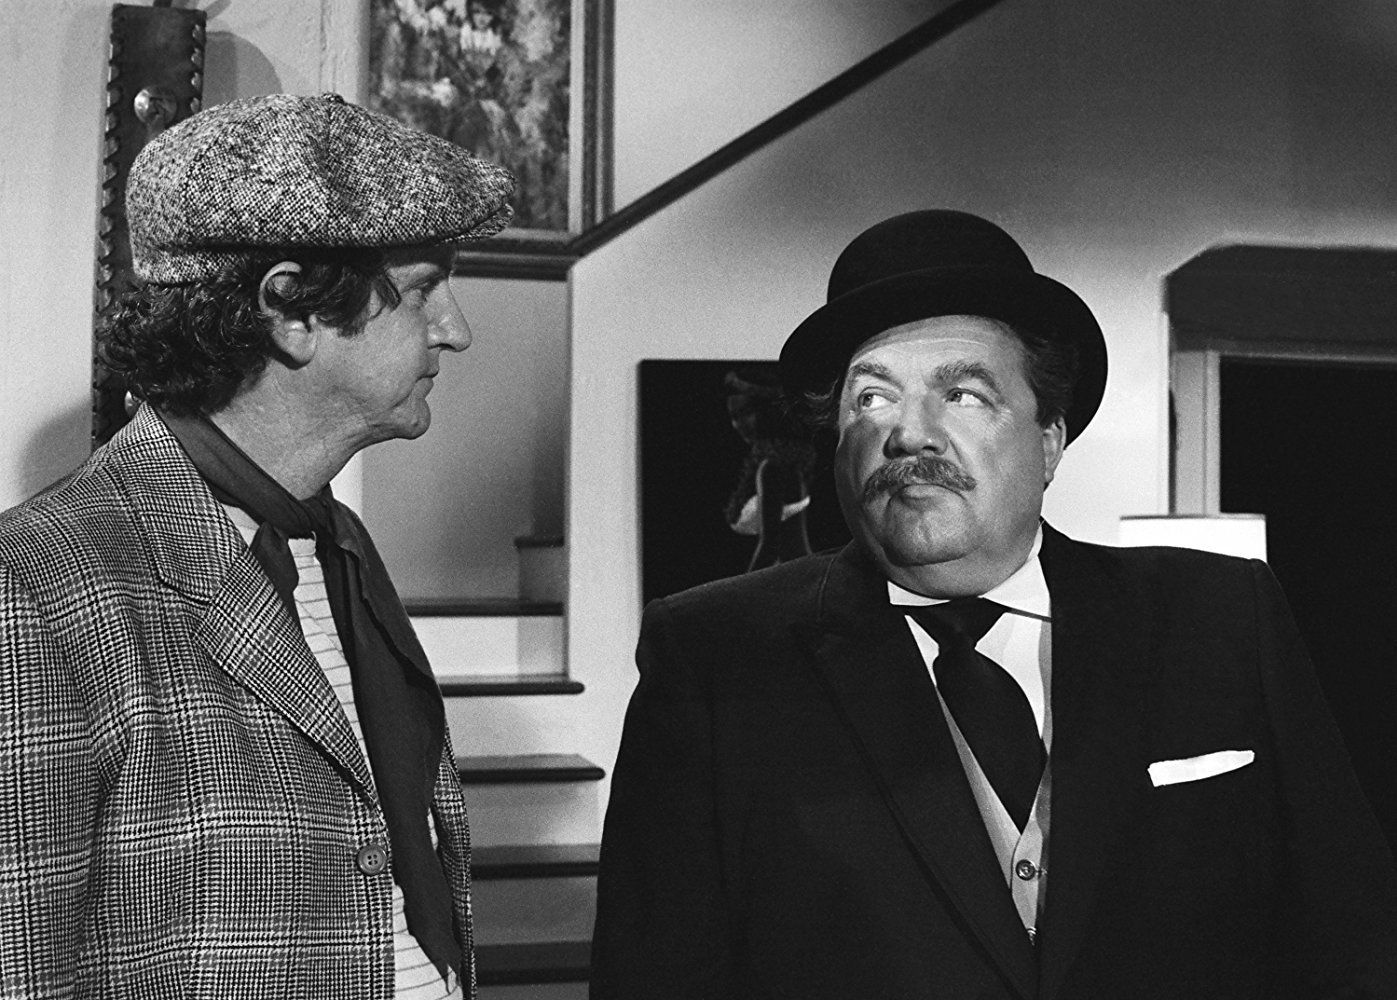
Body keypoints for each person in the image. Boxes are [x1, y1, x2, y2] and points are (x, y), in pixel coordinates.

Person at [591, 210, 1397, 999]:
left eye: (964, 394)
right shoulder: (713, 654)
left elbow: (1354, 939)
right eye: (869, 399)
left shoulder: (1220, 616)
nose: (908, 434)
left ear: (1048, 440)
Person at [0, 93, 514, 998]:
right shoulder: (37, 584)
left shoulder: (332, 541)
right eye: (424, 289)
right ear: (291, 310)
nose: (455, 330)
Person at [722, 369, 817, 571]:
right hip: (795, 573)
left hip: (795, 576)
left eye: (745, 413)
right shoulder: (777, 463)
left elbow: (769, 548)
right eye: (733, 416)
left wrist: (743, 588)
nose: (737, 424)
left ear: (766, 411)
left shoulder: (773, 468)